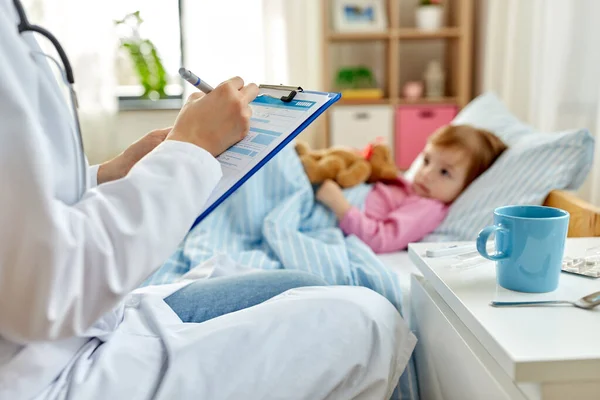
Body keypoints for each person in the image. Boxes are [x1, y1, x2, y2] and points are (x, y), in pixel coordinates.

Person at [0, 1, 414, 399]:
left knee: (301, 285)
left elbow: (26, 203)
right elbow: (45, 288)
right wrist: (191, 147)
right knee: (369, 322)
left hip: (78, 329)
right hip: (42, 373)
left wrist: (111, 173)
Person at [317, 124, 508, 254]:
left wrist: (340, 205)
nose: (426, 174)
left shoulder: (428, 208)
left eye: (444, 172)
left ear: (466, 186)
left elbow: (381, 239)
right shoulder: (412, 188)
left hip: (332, 212)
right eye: (426, 161)